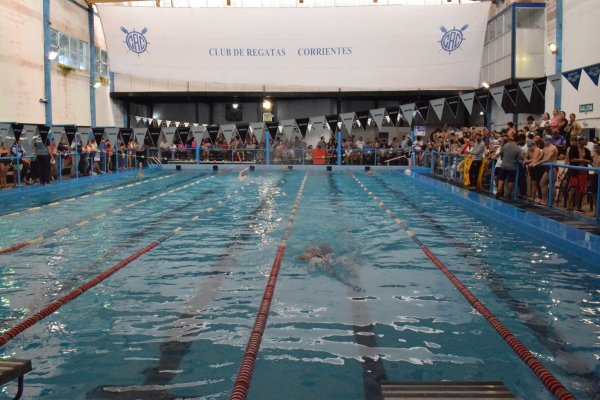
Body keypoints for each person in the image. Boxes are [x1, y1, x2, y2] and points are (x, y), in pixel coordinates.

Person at [565, 136, 592, 212]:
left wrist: (584, 161)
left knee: (581, 190)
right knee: (573, 188)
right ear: (579, 141)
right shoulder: (573, 149)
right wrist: (584, 160)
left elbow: (590, 160)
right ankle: (569, 205)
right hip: (574, 171)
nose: (586, 141)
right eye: (585, 140)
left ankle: (577, 206)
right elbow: (572, 160)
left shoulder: (587, 150)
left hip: (583, 171)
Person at [531, 134, 559, 206]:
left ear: (549, 141)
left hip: (553, 168)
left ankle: (551, 203)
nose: (544, 142)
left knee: (552, 185)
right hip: (547, 167)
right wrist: (534, 162)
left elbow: (547, 158)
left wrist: (537, 163)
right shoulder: (545, 148)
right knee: (542, 183)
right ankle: (544, 201)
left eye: (545, 141)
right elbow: (540, 156)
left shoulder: (553, 148)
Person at [496, 131, 522, 199]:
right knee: (511, 181)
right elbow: (521, 158)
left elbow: (501, 154)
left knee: (501, 179)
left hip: (503, 165)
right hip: (512, 166)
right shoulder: (518, 149)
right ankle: (509, 194)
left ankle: (499, 190)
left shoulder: (505, 145)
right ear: (518, 141)